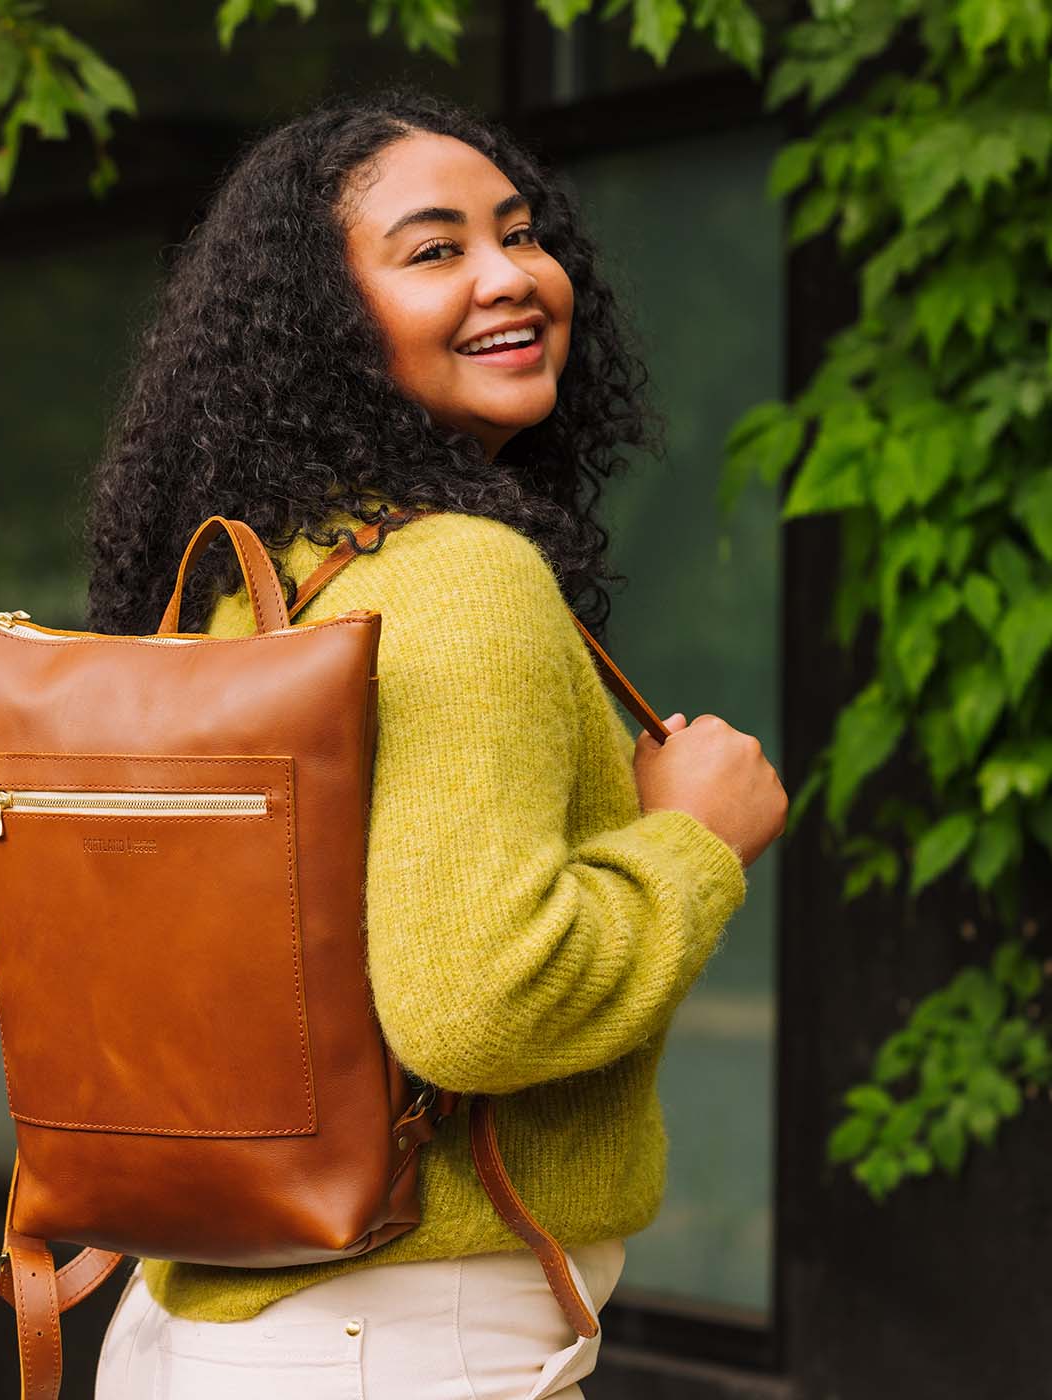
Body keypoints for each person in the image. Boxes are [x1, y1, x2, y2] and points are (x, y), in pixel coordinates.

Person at [81, 82, 788, 1400]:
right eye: (434, 251)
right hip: (405, 1336)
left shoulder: (271, 579)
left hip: (213, 1321)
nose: (510, 275)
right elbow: (480, 1009)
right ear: (323, 324)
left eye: (518, 233)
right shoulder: (460, 571)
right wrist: (695, 840)